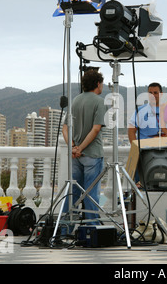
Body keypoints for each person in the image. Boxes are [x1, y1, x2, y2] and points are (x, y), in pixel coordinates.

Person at [62, 66, 106, 225]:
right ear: (98, 84)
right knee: (91, 193)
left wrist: (73, 147)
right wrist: (81, 148)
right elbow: (96, 129)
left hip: (75, 156)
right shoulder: (100, 102)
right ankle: (91, 227)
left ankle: (64, 227)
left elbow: (65, 128)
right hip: (92, 154)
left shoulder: (76, 100)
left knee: (72, 192)